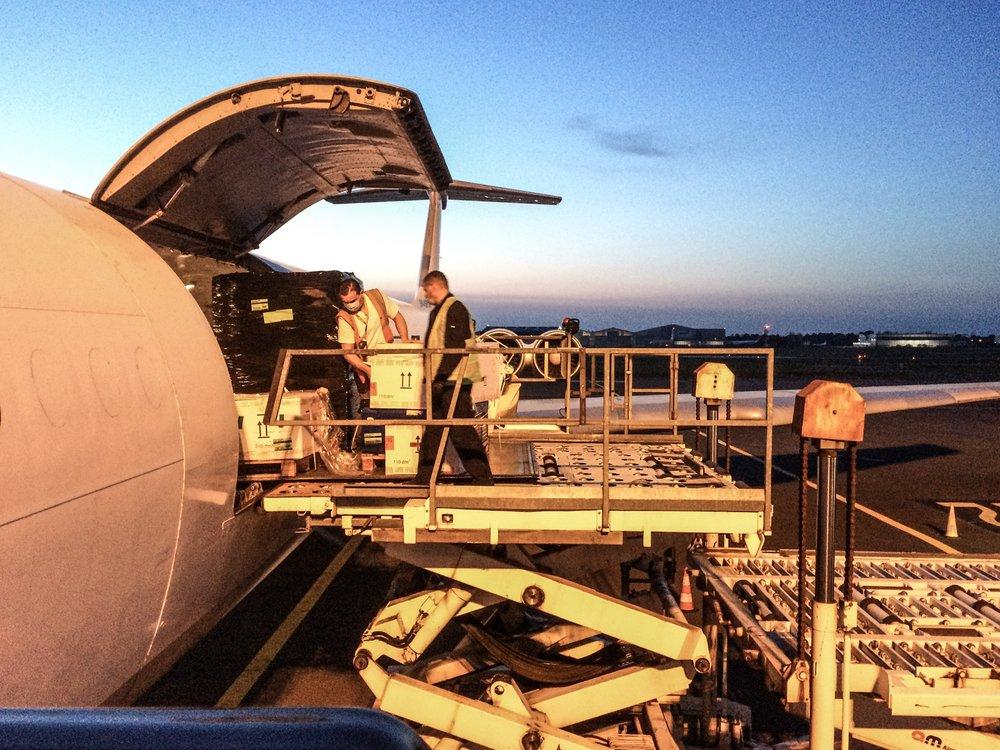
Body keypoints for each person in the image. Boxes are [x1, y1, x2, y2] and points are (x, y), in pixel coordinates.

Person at [415, 271, 493, 485]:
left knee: (461, 430)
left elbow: (456, 347)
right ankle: (424, 478)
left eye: (426, 289)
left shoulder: (454, 308)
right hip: (442, 381)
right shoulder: (439, 311)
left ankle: (483, 476)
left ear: (434, 286)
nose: (424, 293)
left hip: (455, 381)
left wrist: (440, 377)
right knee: (433, 430)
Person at [336, 274, 409, 400]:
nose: (349, 305)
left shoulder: (377, 297)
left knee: (394, 400)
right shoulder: (344, 317)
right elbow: (347, 352)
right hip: (365, 365)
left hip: (387, 360)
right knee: (371, 406)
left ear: (361, 294)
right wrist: (367, 370)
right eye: (345, 302)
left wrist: (405, 340)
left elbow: (397, 317)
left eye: (352, 301)